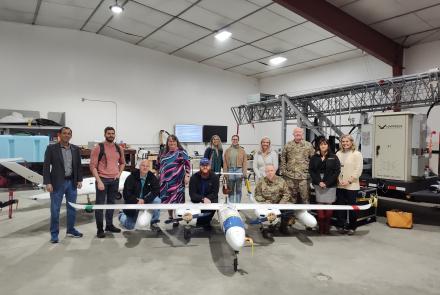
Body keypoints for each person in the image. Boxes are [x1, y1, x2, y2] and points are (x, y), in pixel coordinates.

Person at [43, 127, 83, 243]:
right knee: (55, 210)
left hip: (72, 183)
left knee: (72, 208)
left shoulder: (75, 149)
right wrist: (48, 182)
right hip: (57, 183)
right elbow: (46, 167)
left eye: (69, 133)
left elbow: (78, 166)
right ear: (59, 134)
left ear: (71, 135)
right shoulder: (51, 148)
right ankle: (54, 234)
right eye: (64, 133)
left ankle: (70, 230)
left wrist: (79, 179)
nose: (67, 135)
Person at [90, 126, 125, 238]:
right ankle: (100, 229)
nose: (111, 135)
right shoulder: (98, 147)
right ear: (105, 134)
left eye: (112, 133)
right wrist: (99, 181)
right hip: (102, 180)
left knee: (111, 203)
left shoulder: (118, 148)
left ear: (115, 135)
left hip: (114, 180)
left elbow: (123, 163)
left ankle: (109, 225)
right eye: (109, 133)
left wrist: (118, 174)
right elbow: (92, 166)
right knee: (100, 205)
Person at [309, 137, 341, 234]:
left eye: (325, 144)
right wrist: (319, 182)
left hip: (330, 185)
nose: (323, 146)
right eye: (321, 144)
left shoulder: (334, 157)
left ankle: (327, 227)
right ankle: (321, 227)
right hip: (318, 184)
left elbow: (337, 171)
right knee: (320, 206)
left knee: (329, 207)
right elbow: (311, 171)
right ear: (318, 146)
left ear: (328, 146)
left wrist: (326, 183)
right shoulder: (314, 157)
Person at [118, 159, 160, 230]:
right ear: (139, 166)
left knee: (157, 200)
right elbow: (126, 194)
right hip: (134, 200)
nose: (145, 168)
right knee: (130, 226)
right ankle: (121, 214)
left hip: (144, 200)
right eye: (143, 165)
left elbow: (156, 191)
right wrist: (136, 200)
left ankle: (154, 221)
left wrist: (145, 200)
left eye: (147, 166)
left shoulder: (151, 176)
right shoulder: (131, 177)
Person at [159, 134, 191, 226]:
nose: (172, 142)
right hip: (165, 182)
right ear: (167, 142)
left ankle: (177, 218)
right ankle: (170, 216)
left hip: (178, 181)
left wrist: (187, 176)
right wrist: (158, 176)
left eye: (173, 141)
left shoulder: (181, 152)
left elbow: (187, 164)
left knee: (177, 200)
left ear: (177, 142)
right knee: (168, 200)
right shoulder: (163, 152)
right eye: (170, 141)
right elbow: (159, 165)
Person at [335, 134, 363, 235]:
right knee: (340, 207)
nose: (345, 143)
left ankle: (352, 227)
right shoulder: (338, 153)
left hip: (352, 185)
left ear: (351, 142)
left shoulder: (357, 154)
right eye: (343, 141)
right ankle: (341, 225)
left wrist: (349, 181)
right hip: (340, 185)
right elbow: (336, 169)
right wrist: (338, 180)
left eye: (347, 141)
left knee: (352, 208)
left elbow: (358, 170)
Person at [254, 164, 291, 238]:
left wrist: (281, 204)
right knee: (265, 213)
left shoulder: (281, 180)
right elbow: (257, 195)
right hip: (267, 204)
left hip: (279, 203)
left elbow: (287, 194)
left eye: (271, 170)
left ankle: (283, 227)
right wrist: (265, 201)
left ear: (275, 171)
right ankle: (267, 229)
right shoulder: (261, 182)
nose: (270, 172)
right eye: (268, 171)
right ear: (265, 172)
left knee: (289, 209)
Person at [280, 127, 315, 204]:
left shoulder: (308, 145)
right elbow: (283, 158)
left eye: (300, 132)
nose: (298, 133)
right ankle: (292, 214)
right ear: (293, 134)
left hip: (304, 177)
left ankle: (306, 213)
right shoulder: (288, 145)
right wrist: (284, 172)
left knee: (305, 198)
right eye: (296, 132)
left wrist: (311, 173)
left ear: (302, 134)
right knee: (291, 198)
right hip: (290, 176)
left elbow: (313, 160)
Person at [189, 158, 219, 230]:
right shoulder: (194, 177)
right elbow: (192, 194)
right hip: (198, 199)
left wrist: (207, 198)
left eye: (207, 165)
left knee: (214, 203)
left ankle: (206, 221)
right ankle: (202, 221)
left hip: (209, 199)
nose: (205, 167)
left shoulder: (215, 177)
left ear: (210, 166)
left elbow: (215, 193)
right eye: (203, 165)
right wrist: (202, 199)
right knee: (199, 219)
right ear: (200, 166)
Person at [223, 134, 247, 203]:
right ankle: (231, 205)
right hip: (230, 170)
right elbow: (225, 163)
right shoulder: (227, 150)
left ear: (238, 140)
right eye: (233, 139)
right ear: (231, 140)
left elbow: (245, 162)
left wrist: (244, 173)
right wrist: (225, 173)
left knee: (239, 189)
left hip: (239, 170)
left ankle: (237, 205)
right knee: (230, 189)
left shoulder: (242, 151)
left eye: (236, 139)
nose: (235, 140)